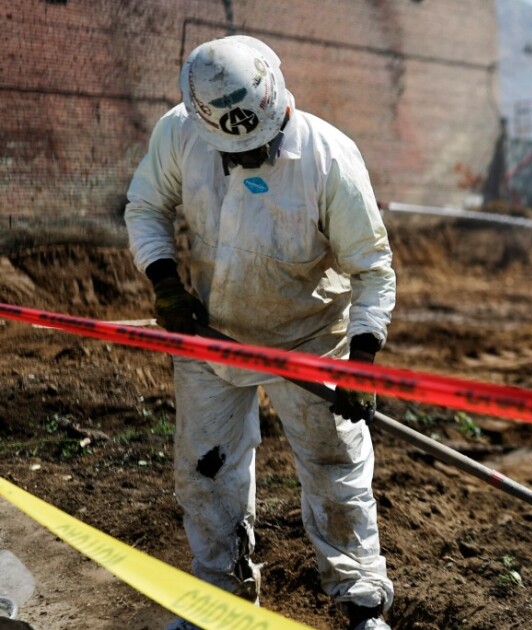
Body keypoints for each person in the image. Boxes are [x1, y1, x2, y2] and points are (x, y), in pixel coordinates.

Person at [124, 35, 396, 630]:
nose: (248, 158)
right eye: (234, 152)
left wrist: (363, 358)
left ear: (275, 106)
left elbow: (372, 268)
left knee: (333, 467)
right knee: (207, 469)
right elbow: (145, 207)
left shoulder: (329, 158)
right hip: (212, 334)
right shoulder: (179, 134)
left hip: (310, 336)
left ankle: (360, 600)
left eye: (258, 148)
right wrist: (165, 280)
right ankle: (217, 602)